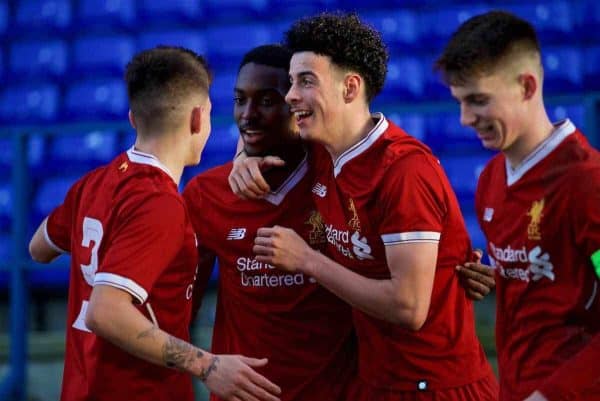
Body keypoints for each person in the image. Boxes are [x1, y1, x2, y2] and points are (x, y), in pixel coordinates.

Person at [232, 13, 498, 401]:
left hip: (435, 387)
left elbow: (409, 308)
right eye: (291, 82)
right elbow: (257, 127)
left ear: (350, 87)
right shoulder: (324, 148)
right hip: (375, 381)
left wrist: (307, 260)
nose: (290, 95)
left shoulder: (404, 171)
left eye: (305, 81)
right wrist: (242, 159)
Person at [28, 46, 281, 401]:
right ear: (198, 119)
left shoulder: (93, 183)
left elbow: (38, 248)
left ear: (133, 118)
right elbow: (106, 311)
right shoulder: (160, 203)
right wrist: (208, 365)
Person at [435, 10, 600, 401]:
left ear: (527, 86)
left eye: (478, 101)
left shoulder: (586, 184)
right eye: (460, 102)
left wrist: (553, 394)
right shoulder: (491, 180)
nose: (464, 119)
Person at [183, 44, 356, 401]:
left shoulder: (340, 176)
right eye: (239, 100)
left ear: (297, 105)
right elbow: (181, 307)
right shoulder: (207, 193)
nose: (247, 115)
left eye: (265, 101)